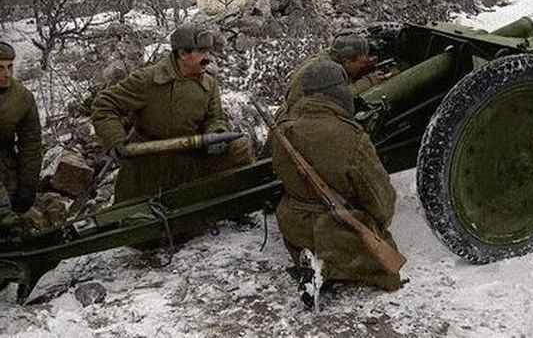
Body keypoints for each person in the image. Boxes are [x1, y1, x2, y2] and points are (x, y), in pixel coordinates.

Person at [271, 60, 402, 309]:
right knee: (383, 264)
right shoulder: (352, 137)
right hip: (336, 229)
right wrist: (373, 224)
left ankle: (308, 259)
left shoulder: (282, 129)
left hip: (293, 224)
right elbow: (382, 202)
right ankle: (324, 267)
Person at [91, 24, 253, 203]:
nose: (209, 59)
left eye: (209, 52)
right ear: (183, 54)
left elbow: (214, 118)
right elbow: (104, 104)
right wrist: (115, 140)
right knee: (137, 221)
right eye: (202, 52)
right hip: (148, 164)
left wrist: (217, 133)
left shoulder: (209, 84)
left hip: (187, 161)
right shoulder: (148, 79)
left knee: (239, 146)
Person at [0, 41, 42, 234]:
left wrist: (27, 184)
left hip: (5, 162)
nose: (6, 74)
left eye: (9, 67)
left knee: (21, 214)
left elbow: (31, 144)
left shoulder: (22, 98)